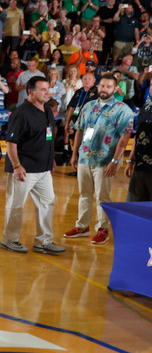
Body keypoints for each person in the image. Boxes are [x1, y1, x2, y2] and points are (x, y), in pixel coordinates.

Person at [63, 74, 133, 245]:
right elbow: (79, 129)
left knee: (103, 196)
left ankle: (103, 229)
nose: (104, 89)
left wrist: (116, 161)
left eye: (109, 86)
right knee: (84, 195)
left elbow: (124, 138)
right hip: (85, 158)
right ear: (98, 86)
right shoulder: (88, 106)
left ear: (115, 89)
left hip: (105, 160)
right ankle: (82, 226)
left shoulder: (123, 110)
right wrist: (74, 154)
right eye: (102, 86)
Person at [0, 77, 66, 255]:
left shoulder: (47, 110)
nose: (47, 92)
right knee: (16, 205)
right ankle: (9, 240)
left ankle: (44, 241)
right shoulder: (21, 113)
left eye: (47, 89)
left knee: (48, 202)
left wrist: (50, 158)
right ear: (31, 92)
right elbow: (11, 143)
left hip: (43, 169)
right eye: (43, 89)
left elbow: (49, 136)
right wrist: (16, 166)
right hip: (24, 169)